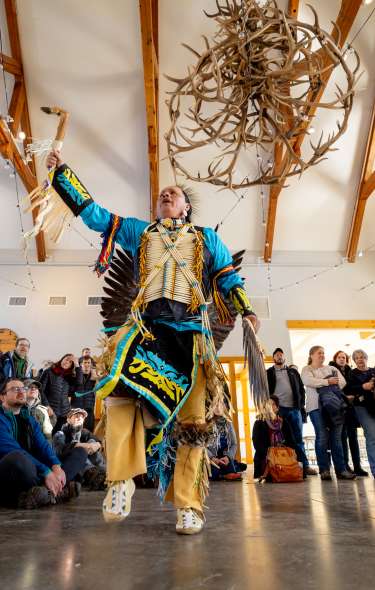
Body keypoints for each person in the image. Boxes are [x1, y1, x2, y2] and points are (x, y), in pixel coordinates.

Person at [43, 149, 262, 534]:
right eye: (162, 193)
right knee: (119, 395)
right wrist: (63, 173)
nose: (166, 195)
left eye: (173, 193)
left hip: (192, 337)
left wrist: (247, 310)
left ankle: (189, 506)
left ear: (185, 209)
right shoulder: (138, 232)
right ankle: (120, 481)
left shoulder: (208, 238)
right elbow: (95, 215)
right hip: (146, 331)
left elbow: (228, 278)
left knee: (194, 424)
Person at [0, 378, 86, 508]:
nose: (22, 392)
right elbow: (12, 449)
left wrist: (56, 466)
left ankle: (46, 493)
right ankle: (56, 490)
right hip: (13, 469)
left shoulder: (28, 418)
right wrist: (46, 471)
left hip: (34, 469)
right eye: (15, 389)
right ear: (2, 397)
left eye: (23, 388)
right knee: (17, 457)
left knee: (80, 452)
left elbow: (43, 445)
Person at [301, 346, 355, 481]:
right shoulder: (307, 369)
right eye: (319, 353)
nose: (322, 355)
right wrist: (328, 381)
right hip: (315, 408)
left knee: (336, 439)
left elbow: (342, 382)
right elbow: (308, 381)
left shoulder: (332, 369)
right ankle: (324, 470)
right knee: (322, 437)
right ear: (311, 355)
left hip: (335, 406)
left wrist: (324, 384)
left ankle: (341, 470)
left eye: (323, 353)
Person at [267, 348, 317, 477]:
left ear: (284, 358)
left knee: (298, 438)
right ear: (273, 358)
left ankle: (304, 466)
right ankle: (285, 466)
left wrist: (300, 405)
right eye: (277, 355)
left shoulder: (293, 372)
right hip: (279, 410)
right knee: (281, 439)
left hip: (294, 409)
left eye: (281, 355)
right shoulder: (268, 373)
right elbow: (265, 391)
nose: (279, 357)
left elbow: (301, 389)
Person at [329, 351, 368, 476]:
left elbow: (354, 387)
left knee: (353, 437)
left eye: (344, 357)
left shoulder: (350, 372)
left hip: (351, 408)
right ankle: (345, 466)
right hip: (339, 408)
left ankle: (357, 466)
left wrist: (354, 396)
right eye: (339, 357)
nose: (342, 359)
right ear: (335, 359)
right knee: (342, 438)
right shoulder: (330, 370)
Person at [53, 408, 106, 490]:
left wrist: (97, 444)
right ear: (68, 419)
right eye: (76, 416)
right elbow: (59, 450)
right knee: (82, 450)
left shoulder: (85, 432)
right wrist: (80, 445)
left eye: (82, 417)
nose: (79, 418)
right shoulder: (60, 433)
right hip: (68, 465)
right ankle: (92, 474)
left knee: (92, 441)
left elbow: (98, 442)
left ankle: (102, 474)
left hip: (86, 467)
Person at [252, 395, 303, 479]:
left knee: (297, 452)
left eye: (273, 404)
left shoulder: (284, 422)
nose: (270, 407)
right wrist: (273, 454)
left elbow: (292, 442)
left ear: (277, 408)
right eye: (267, 405)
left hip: (284, 457)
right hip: (267, 457)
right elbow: (257, 445)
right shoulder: (259, 423)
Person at [347, 349, 375, 478]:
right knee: (372, 436)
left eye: (362, 357)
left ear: (366, 358)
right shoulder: (351, 374)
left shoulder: (373, 371)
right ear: (354, 360)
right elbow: (348, 389)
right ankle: (374, 470)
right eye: (357, 357)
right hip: (362, 407)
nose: (360, 359)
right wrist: (363, 387)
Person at [40, 354, 83, 434]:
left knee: (60, 435)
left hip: (64, 412)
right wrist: (46, 405)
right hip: (51, 410)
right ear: (62, 359)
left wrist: (77, 365)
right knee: (48, 435)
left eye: (70, 362)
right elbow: (40, 390)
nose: (67, 362)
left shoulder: (69, 376)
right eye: (66, 359)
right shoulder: (49, 372)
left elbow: (79, 382)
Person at [70, 356, 97, 431]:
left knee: (89, 431)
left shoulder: (94, 378)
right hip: (76, 409)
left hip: (89, 409)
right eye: (85, 362)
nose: (87, 364)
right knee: (75, 432)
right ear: (80, 364)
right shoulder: (74, 376)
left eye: (89, 363)